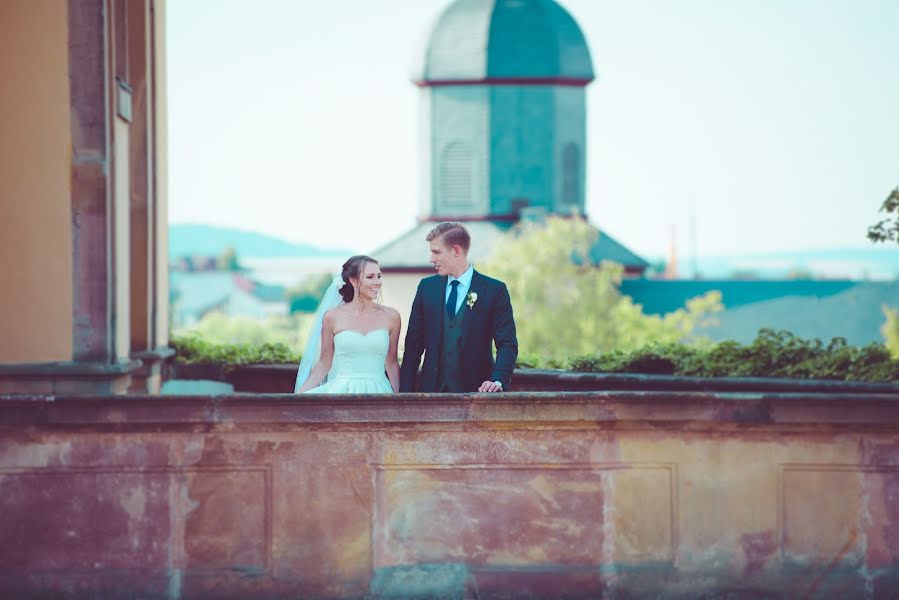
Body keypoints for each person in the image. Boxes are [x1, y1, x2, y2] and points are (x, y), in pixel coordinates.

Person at [400, 222, 518, 393]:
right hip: (431, 394)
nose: (431, 259)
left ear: (456, 251)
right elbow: (413, 347)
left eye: (436, 252)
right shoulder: (427, 288)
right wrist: (405, 395)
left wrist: (497, 380)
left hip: (477, 393)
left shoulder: (494, 290)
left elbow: (507, 343)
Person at [294, 255, 401, 393]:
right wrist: (299, 396)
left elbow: (392, 363)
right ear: (353, 281)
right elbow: (324, 364)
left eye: (379, 276)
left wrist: (400, 398)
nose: (378, 282)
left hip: (380, 391)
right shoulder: (332, 317)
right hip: (342, 391)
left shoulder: (392, 317)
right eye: (370, 277)